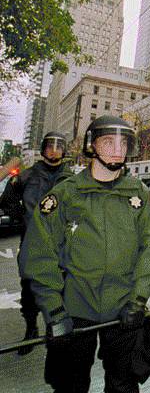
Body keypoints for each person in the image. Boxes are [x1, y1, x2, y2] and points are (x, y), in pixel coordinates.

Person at [19, 116, 150, 392]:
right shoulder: (64, 195)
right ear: (92, 146)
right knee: (70, 385)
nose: (117, 149)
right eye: (108, 141)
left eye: (124, 142)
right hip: (74, 308)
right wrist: (53, 309)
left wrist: (138, 299)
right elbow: (39, 255)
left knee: (123, 384)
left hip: (124, 307)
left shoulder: (138, 194)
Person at [0, 132, 73, 355]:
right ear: (43, 149)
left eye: (59, 146)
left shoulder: (72, 180)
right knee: (30, 291)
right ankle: (31, 329)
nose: (54, 151)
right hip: (33, 244)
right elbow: (6, 200)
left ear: (64, 150)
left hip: (63, 246)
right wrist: (23, 219)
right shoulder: (26, 176)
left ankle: (56, 328)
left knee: (62, 290)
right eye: (50, 146)